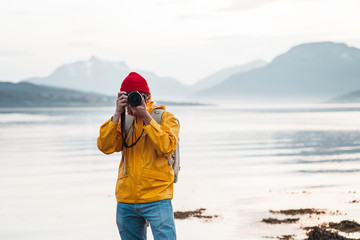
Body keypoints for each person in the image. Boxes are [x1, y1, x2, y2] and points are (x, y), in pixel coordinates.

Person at [97, 72, 179, 240]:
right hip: (126, 199)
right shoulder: (122, 120)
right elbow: (105, 146)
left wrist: (146, 117)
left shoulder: (165, 118)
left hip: (157, 197)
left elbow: (167, 147)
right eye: (127, 97)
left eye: (137, 96)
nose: (132, 101)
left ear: (147, 96)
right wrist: (116, 114)